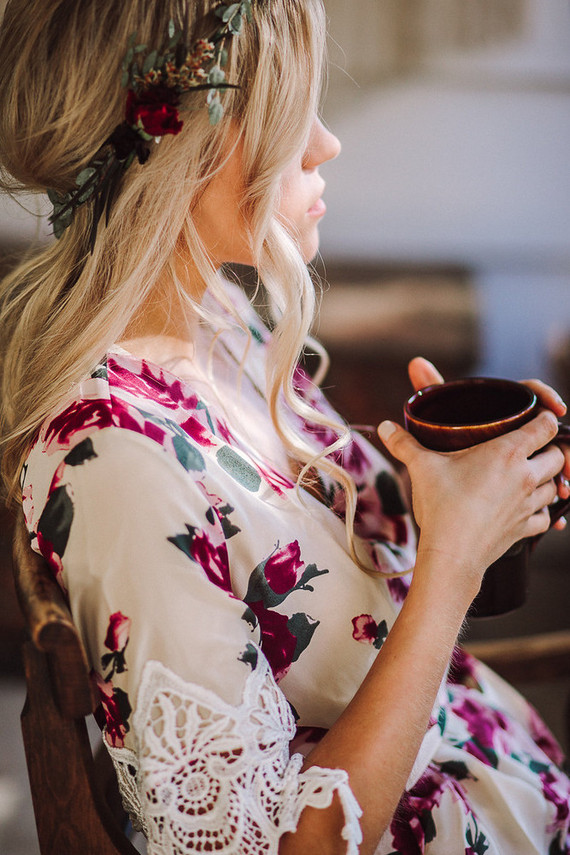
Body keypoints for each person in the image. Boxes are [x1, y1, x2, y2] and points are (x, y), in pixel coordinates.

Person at [0, 1, 569, 853]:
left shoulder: (221, 324)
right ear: (179, 144)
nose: (324, 144)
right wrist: (452, 562)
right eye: (287, 108)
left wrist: (479, 489)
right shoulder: (117, 464)